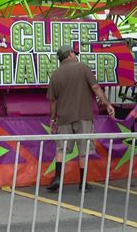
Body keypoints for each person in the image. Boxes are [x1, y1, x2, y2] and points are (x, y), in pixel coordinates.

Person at [47, 45, 115, 192]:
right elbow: (96, 87)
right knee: (83, 149)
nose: (76, 55)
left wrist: (53, 120)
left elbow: (53, 102)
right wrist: (107, 104)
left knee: (61, 149)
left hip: (64, 117)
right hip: (83, 116)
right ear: (70, 54)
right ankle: (83, 182)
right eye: (74, 53)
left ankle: (58, 177)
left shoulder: (56, 74)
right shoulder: (82, 67)